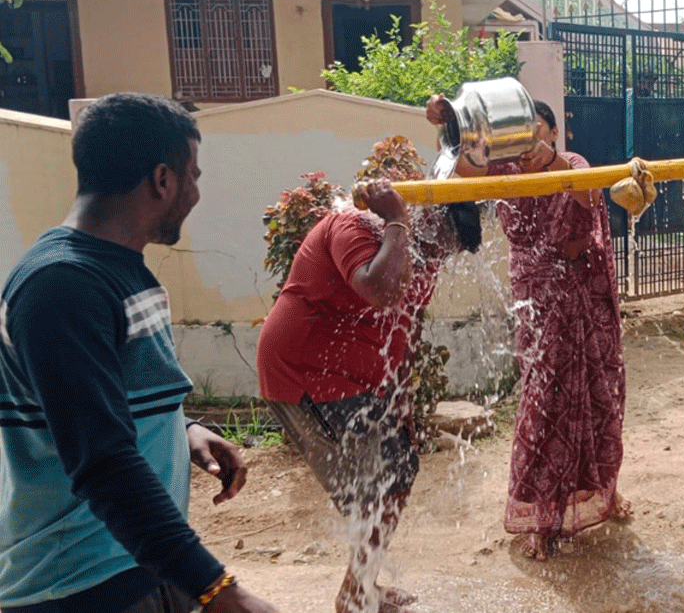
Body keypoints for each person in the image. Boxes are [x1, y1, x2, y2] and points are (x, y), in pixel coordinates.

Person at [0, 93, 279, 613]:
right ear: (162, 180)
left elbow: (98, 395)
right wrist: (219, 589)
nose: (196, 191)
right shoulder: (62, 286)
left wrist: (184, 427)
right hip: (81, 583)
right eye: (193, 174)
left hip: (137, 563)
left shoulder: (111, 269)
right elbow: (102, 462)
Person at [257, 162, 482, 613]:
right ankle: (356, 594)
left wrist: (401, 400)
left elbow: (407, 326)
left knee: (387, 482)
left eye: (450, 253)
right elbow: (380, 290)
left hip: (349, 382)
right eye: (441, 244)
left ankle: (361, 587)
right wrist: (396, 219)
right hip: (305, 373)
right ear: (424, 217)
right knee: (385, 482)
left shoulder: (417, 254)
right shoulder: (354, 226)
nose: (440, 256)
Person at [425, 95, 630, 561]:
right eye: (522, 131)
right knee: (543, 405)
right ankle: (541, 516)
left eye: (539, 130)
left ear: (554, 133)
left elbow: (585, 196)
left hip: (582, 298)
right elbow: (461, 173)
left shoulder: (572, 162)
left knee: (598, 398)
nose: (531, 139)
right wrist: (453, 123)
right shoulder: (506, 170)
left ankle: (602, 493)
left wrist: (554, 162)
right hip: (536, 302)